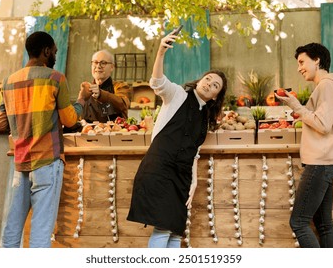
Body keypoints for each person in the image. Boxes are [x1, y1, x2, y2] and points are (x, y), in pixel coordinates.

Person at [127, 31, 228, 248]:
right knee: (163, 229)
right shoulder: (178, 95)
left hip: (181, 178)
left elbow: (194, 154)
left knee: (175, 233)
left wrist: (194, 182)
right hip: (160, 170)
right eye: (208, 78)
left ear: (216, 96)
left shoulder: (205, 118)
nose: (209, 83)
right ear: (200, 80)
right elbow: (157, 82)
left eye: (215, 85)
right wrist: (161, 52)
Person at [0, 31, 91, 248]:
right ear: (46, 51)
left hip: (20, 164)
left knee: (12, 229)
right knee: (40, 230)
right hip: (47, 162)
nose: (55, 55)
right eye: (54, 51)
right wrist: (82, 100)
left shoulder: (9, 82)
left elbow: (0, 124)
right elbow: (69, 119)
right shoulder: (55, 78)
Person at [275, 42, 333, 248]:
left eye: (302, 62)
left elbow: (323, 124)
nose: (299, 67)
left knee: (298, 222)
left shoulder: (327, 85)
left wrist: (296, 106)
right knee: (324, 224)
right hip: (330, 161)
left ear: (316, 60)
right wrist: (302, 112)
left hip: (321, 161)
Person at [82, 50, 130, 123]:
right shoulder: (86, 89)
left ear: (112, 67)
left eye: (103, 63)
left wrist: (101, 94)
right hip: (89, 132)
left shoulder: (121, 86)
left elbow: (123, 104)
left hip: (114, 132)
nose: (98, 66)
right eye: (95, 62)